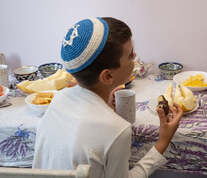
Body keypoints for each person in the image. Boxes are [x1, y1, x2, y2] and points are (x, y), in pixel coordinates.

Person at [32, 17, 183, 177]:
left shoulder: (59, 99)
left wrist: (105, 106)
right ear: (108, 76)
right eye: (130, 56)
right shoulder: (117, 130)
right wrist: (162, 143)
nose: (135, 56)